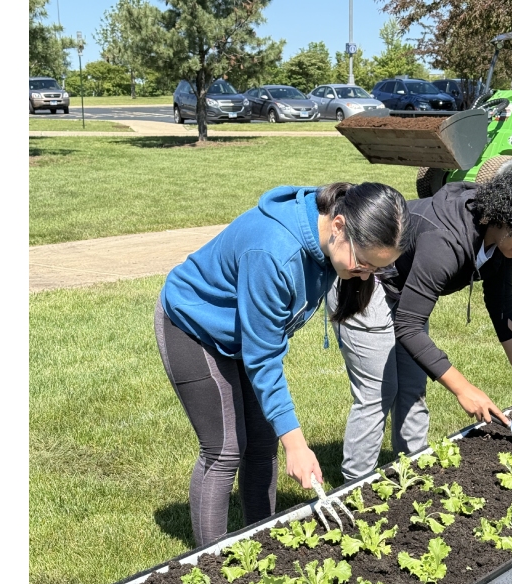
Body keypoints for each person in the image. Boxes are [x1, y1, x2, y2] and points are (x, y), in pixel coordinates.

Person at [155, 182, 410, 546]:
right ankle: (209, 568)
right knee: (225, 449)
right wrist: (297, 444)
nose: (365, 274)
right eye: (363, 262)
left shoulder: (328, 241)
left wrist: (286, 438)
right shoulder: (274, 252)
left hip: (244, 334)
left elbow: (263, 342)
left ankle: (260, 545)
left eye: (376, 268)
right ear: (339, 226)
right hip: (193, 325)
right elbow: (262, 357)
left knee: (261, 444)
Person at [324, 169, 512, 481]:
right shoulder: (445, 240)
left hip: (404, 292)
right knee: (380, 391)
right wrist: (465, 390)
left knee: (413, 389)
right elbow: (410, 326)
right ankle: (354, 487)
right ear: (508, 219)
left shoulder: (500, 238)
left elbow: (501, 305)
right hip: (362, 279)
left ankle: (412, 475)